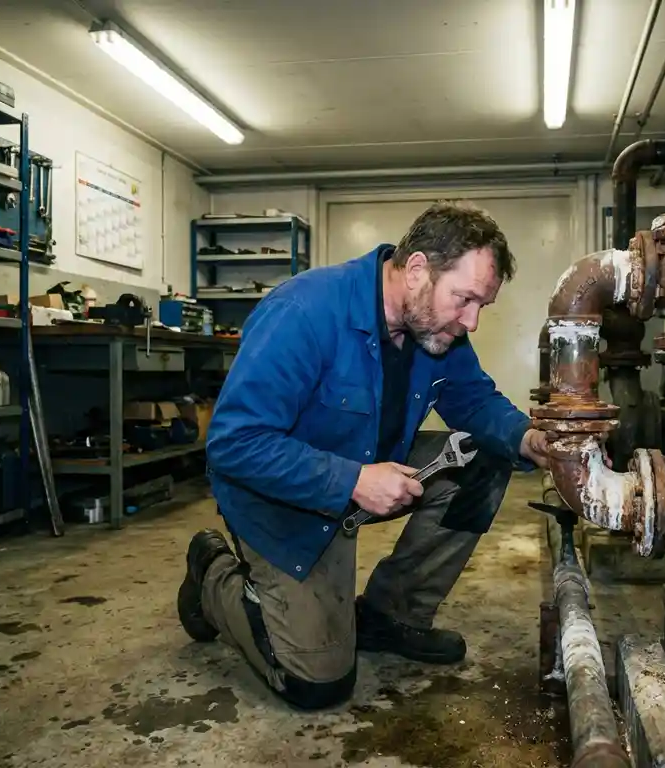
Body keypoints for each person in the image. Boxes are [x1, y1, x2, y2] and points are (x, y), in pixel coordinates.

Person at [177, 201, 550, 711]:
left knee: (484, 457)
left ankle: (390, 614)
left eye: (481, 305)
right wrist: (350, 479)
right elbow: (234, 443)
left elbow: (475, 401)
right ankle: (212, 575)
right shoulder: (304, 313)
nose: (473, 321)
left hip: (368, 471)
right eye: (465, 299)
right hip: (281, 503)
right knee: (317, 684)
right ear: (417, 269)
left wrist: (529, 439)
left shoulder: (435, 329)